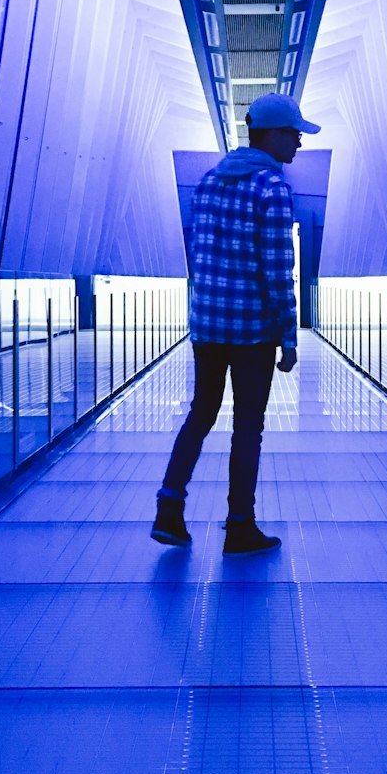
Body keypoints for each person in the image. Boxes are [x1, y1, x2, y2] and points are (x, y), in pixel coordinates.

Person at [151, 92, 320, 555]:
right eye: (295, 134)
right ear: (273, 135)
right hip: (251, 332)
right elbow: (276, 267)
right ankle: (240, 524)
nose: (299, 144)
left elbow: (202, 257)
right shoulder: (271, 188)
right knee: (248, 425)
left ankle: (170, 507)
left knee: (201, 414)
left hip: (207, 326)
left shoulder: (208, 183)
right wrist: (288, 333)